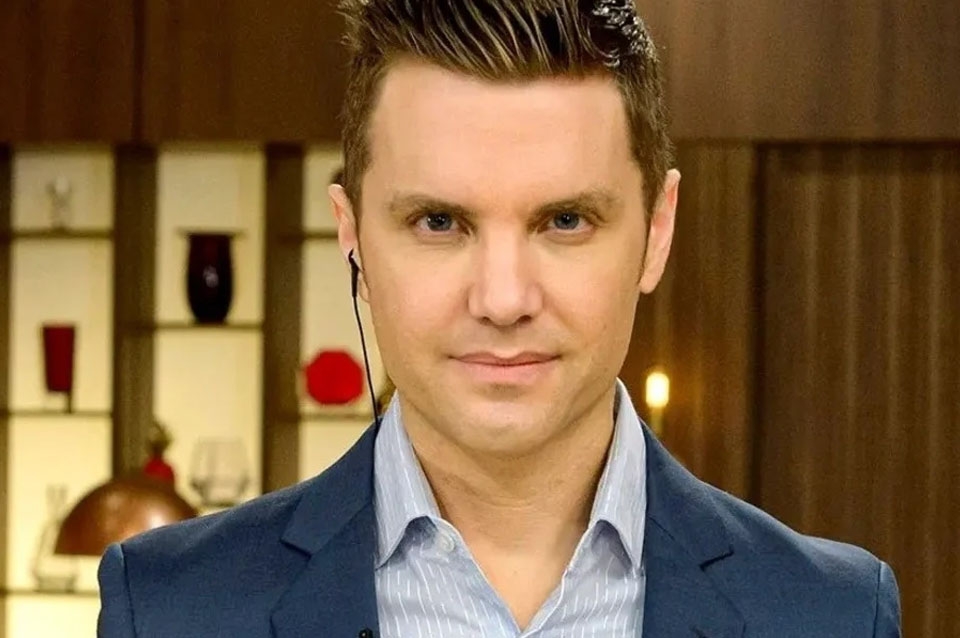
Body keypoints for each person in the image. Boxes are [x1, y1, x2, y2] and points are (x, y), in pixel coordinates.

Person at [97, 1, 902, 636]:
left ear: (657, 232)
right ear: (354, 237)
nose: (504, 298)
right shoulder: (170, 610)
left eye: (565, 221)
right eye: (439, 222)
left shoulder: (830, 614)